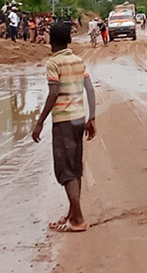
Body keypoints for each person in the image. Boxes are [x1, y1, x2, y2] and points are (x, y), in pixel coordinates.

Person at [31, 22, 97, 233]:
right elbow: (90, 89)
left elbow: (53, 93)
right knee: (75, 167)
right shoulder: (78, 61)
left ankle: (77, 219)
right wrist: (92, 118)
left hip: (63, 122)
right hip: (79, 119)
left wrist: (40, 122)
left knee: (65, 170)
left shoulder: (53, 63)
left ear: (51, 41)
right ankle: (71, 213)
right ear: (68, 40)